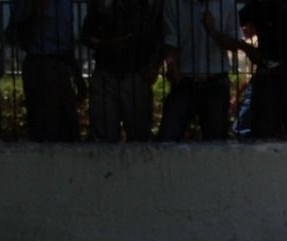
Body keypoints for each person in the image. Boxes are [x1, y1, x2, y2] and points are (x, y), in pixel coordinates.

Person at [158, 0, 239, 139]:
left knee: (216, 143)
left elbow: (235, 44)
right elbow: (170, 41)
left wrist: (213, 32)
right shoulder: (174, 4)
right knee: (168, 138)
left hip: (216, 80)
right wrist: (172, 65)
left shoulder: (226, 3)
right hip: (184, 81)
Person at [80, 0, 160, 141]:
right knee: (106, 142)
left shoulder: (149, 4)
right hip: (107, 73)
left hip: (136, 73)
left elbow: (161, 36)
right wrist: (107, 45)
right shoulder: (102, 4)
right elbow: (86, 35)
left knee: (139, 140)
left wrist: (154, 64)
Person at [238, 0, 287, 137]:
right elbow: (233, 22)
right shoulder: (260, 5)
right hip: (271, 76)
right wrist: (247, 47)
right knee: (264, 134)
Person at [13, 0, 80, 141]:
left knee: (68, 129)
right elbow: (15, 34)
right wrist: (35, 13)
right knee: (46, 128)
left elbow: (67, 39)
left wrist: (77, 75)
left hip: (61, 64)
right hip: (40, 63)